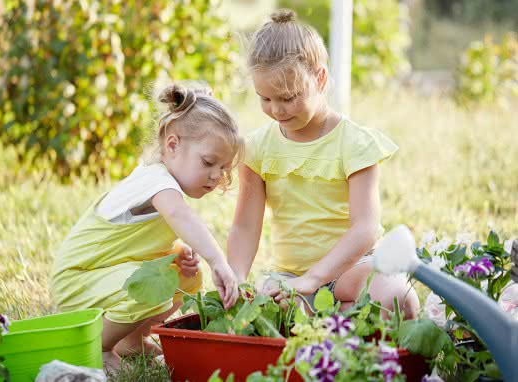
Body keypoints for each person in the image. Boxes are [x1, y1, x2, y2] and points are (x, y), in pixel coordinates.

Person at [227, 9, 419, 317]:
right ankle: (335, 330)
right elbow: (245, 225)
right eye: (265, 98)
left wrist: (314, 279)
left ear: (320, 78)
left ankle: (339, 329)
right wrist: (235, 277)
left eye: (288, 97)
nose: (276, 109)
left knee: (397, 298)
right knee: (273, 316)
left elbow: (365, 228)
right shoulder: (258, 148)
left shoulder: (354, 143)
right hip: (291, 278)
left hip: (353, 268)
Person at [52, 83, 243, 369]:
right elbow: (179, 216)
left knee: (187, 277)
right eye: (209, 162)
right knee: (149, 288)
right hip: (78, 279)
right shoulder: (156, 180)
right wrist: (216, 259)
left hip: (106, 273)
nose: (216, 175)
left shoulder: (167, 184)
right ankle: (98, 348)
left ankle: (132, 340)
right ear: (173, 145)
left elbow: (145, 239)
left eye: (224, 168)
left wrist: (179, 253)